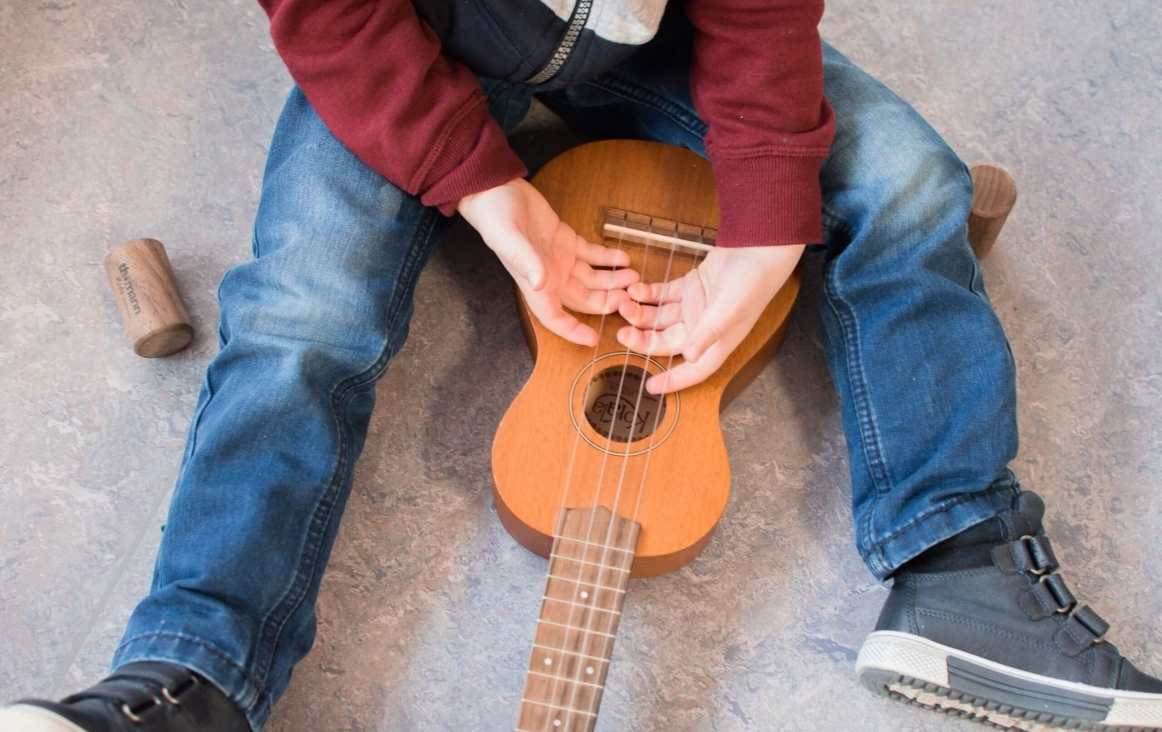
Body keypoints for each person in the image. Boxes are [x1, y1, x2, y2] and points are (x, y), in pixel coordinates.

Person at [3, 0, 1160, 730]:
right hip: (413, 41)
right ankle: (191, 674)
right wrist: (490, 194)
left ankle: (958, 567)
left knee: (913, 184)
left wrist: (766, 224)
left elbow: (759, 21)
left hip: (665, 38)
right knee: (304, 311)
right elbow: (334, 15)